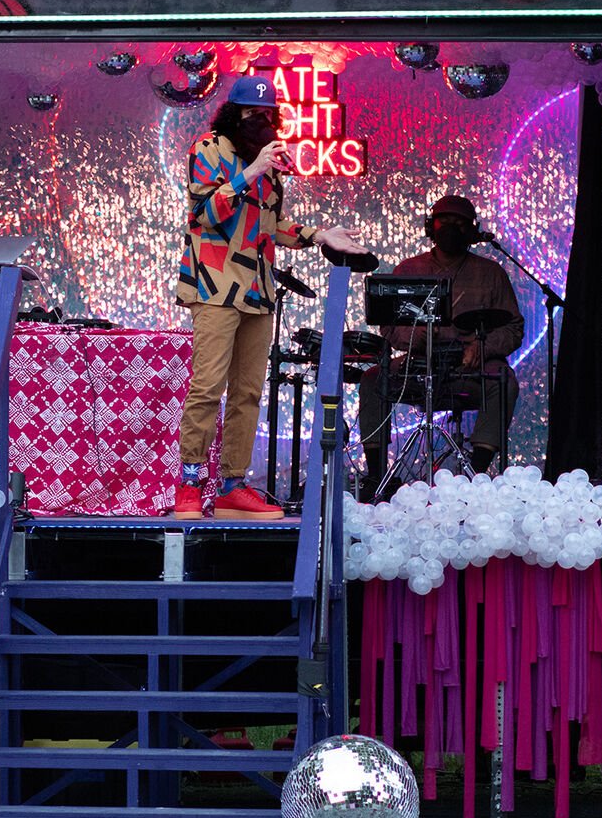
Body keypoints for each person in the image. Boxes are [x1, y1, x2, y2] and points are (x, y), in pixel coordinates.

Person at [174, 74, 366, 520]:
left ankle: (231, 486)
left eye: (266, 114)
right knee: (208, 385)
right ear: (232, 114)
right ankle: (188, 482)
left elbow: (271, 226)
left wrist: (321, 234)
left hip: (258, 290)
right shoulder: (209, 149)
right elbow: (205, 214)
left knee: (247, 392)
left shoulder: (270, 165)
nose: (259, 121)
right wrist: (253, 170)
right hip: (215, 285)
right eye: (250, 113)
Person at [356, 194, 522, 497]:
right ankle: (377, 476)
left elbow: (513, 328)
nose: (451, 228)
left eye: (460, 224)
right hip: (419, 366)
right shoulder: (409, 269)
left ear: (472, 231)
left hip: (469, 367)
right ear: (430, 226)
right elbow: (388, 325)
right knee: (372, 379)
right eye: (445, 222)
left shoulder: (491, 273)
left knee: (504, 380)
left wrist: (481, 348)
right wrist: (415, 338)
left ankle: (476, 474)